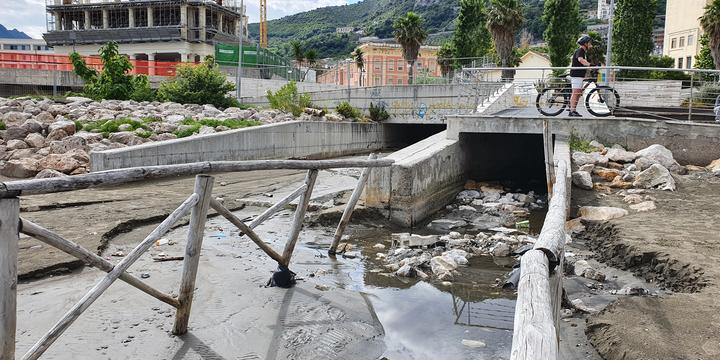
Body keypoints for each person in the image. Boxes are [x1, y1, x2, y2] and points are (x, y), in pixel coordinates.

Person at [569, 35, 594, 117]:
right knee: (576, 93)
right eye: (589, 43)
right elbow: (580, 60)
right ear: (585, 43)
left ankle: (573, 110)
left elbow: (582, 63)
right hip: (576, 75)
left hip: (579, 75)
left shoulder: (583, 51)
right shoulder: (580, 50)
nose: (591, 45)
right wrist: (590, 65)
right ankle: (572, 111)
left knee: (578, 92)